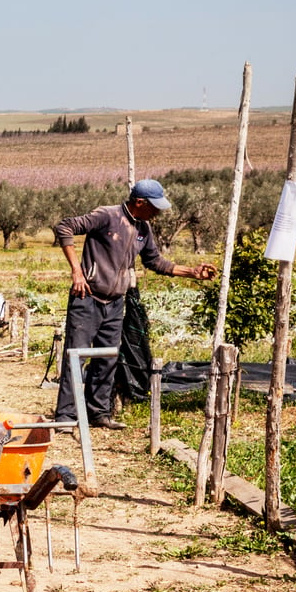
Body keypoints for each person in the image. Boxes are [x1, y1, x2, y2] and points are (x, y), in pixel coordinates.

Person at [53, 179, 215, 429]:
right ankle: (65, 417)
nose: (157, 213)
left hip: (115, 302)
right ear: (139, 202)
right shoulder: (106, 216)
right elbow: (64, 227)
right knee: (76, 356)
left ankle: (98, 413)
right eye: (154, 207)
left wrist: (192, 272)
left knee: (108, 358)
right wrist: (77, 271)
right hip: (87, 299)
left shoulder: (143, 229)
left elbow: (155, 261)